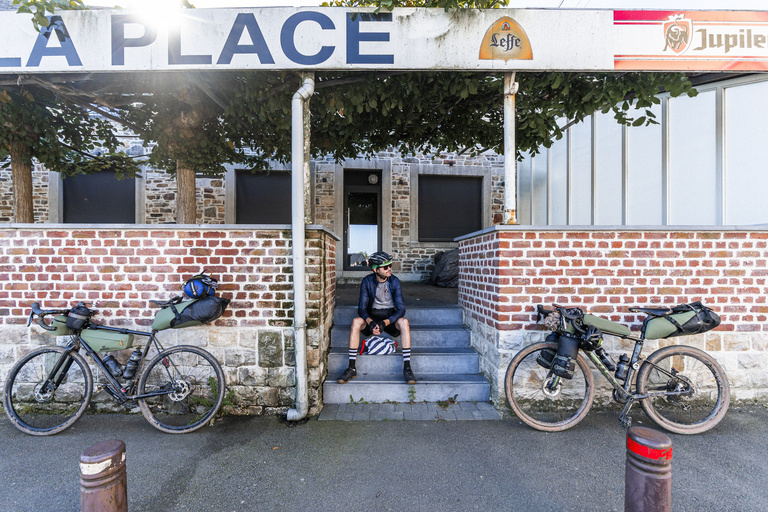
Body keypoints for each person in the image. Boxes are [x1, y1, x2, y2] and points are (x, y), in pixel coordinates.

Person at [337, 251, 416, 385]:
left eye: (390, 265)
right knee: (356, 322)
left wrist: (385, 322)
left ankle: (407, 368)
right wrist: (371, 322)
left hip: (390, 318)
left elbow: (401, 309)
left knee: (404, 322)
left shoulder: (394, 281)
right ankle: (351, 368)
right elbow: (361, 308)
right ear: (375, 270)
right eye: (385, 267)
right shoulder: (367, 281)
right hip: (372, 316)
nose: (389, 269)